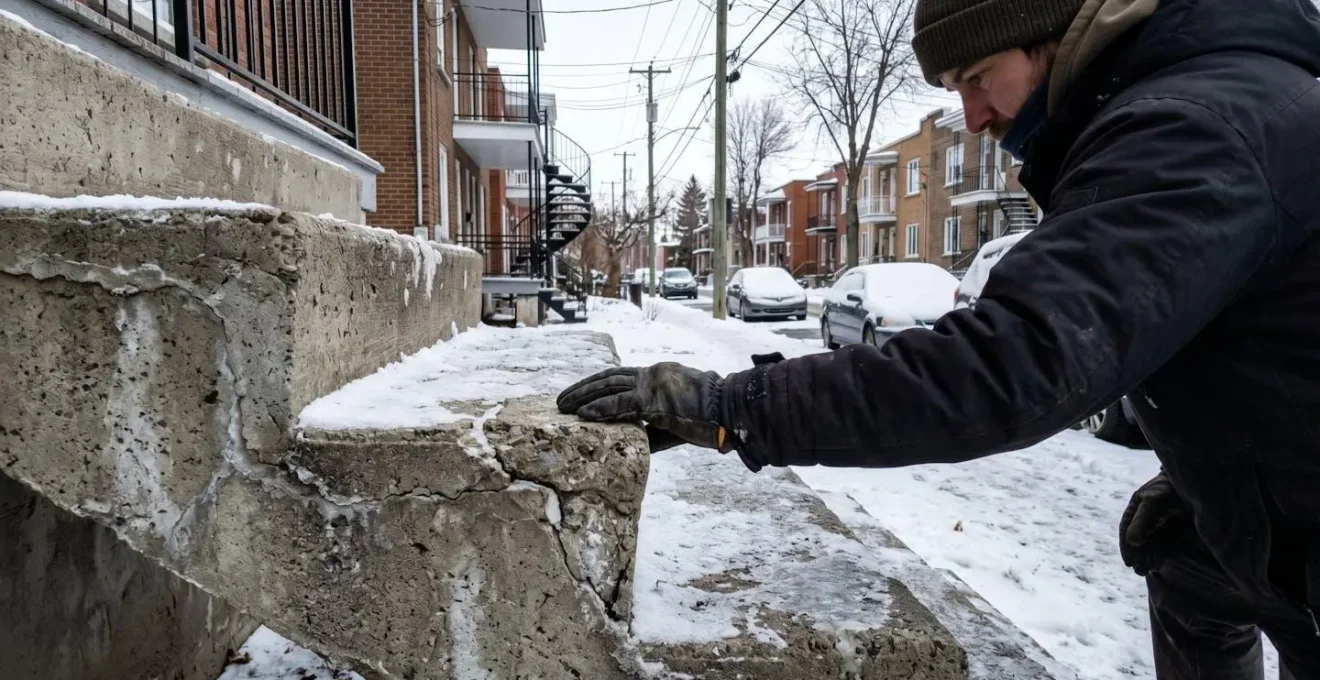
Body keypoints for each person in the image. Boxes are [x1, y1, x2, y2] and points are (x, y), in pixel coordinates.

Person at [558, 0, 1320, 676]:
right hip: (1275, 513)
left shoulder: (1193, 128)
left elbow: (1010, 363)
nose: (976, 116)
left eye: (978, 77)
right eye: (955, 91)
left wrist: (736, 404)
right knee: (1189, 566)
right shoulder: (1206, 100)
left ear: (1048, 33)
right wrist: (1215, 478)